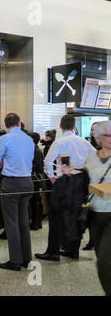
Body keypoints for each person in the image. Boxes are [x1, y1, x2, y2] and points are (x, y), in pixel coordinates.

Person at [35, 115, 95, 262]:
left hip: (64, 180)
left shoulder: (60, 142)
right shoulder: (84, 142)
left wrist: (52, 177)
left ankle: (53, 252)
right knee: (75, 214)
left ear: (61, 127)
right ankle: (73, 250)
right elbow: (95, 157)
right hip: (80, 181)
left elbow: (48, 161)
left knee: (55, 217)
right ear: (74, 126)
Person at [0, 113, 34, 271]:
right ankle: (26, 258)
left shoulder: (5, 139)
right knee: (23, 222)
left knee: (11, 223)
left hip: (11, 182)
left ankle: (15, 260)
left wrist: (5, 161)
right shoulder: (29, 139)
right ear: (19, 123)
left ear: (6, 125)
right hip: (28, 182)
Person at [84, 121, 111, 296]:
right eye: (107, 135)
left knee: (104, 262)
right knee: (101, 259)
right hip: (94, 215)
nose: (110, 139)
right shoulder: (91, 157)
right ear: (99, 137)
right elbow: (85, 181)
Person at [84, 122, 102, 250]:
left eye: (95, 130)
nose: (92, 132)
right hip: (92, 184)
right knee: (92, 215)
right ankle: (92, 241)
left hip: (103, 186)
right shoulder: (90, 145)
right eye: (92, 130)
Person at [28, 132, 44, 231]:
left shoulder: (35, 151)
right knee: (35, 201)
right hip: (35, 179)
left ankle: (35, 223)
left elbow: (37, 166)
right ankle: (37, 222)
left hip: (35, 179)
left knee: (35, 202)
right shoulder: (35, 149)